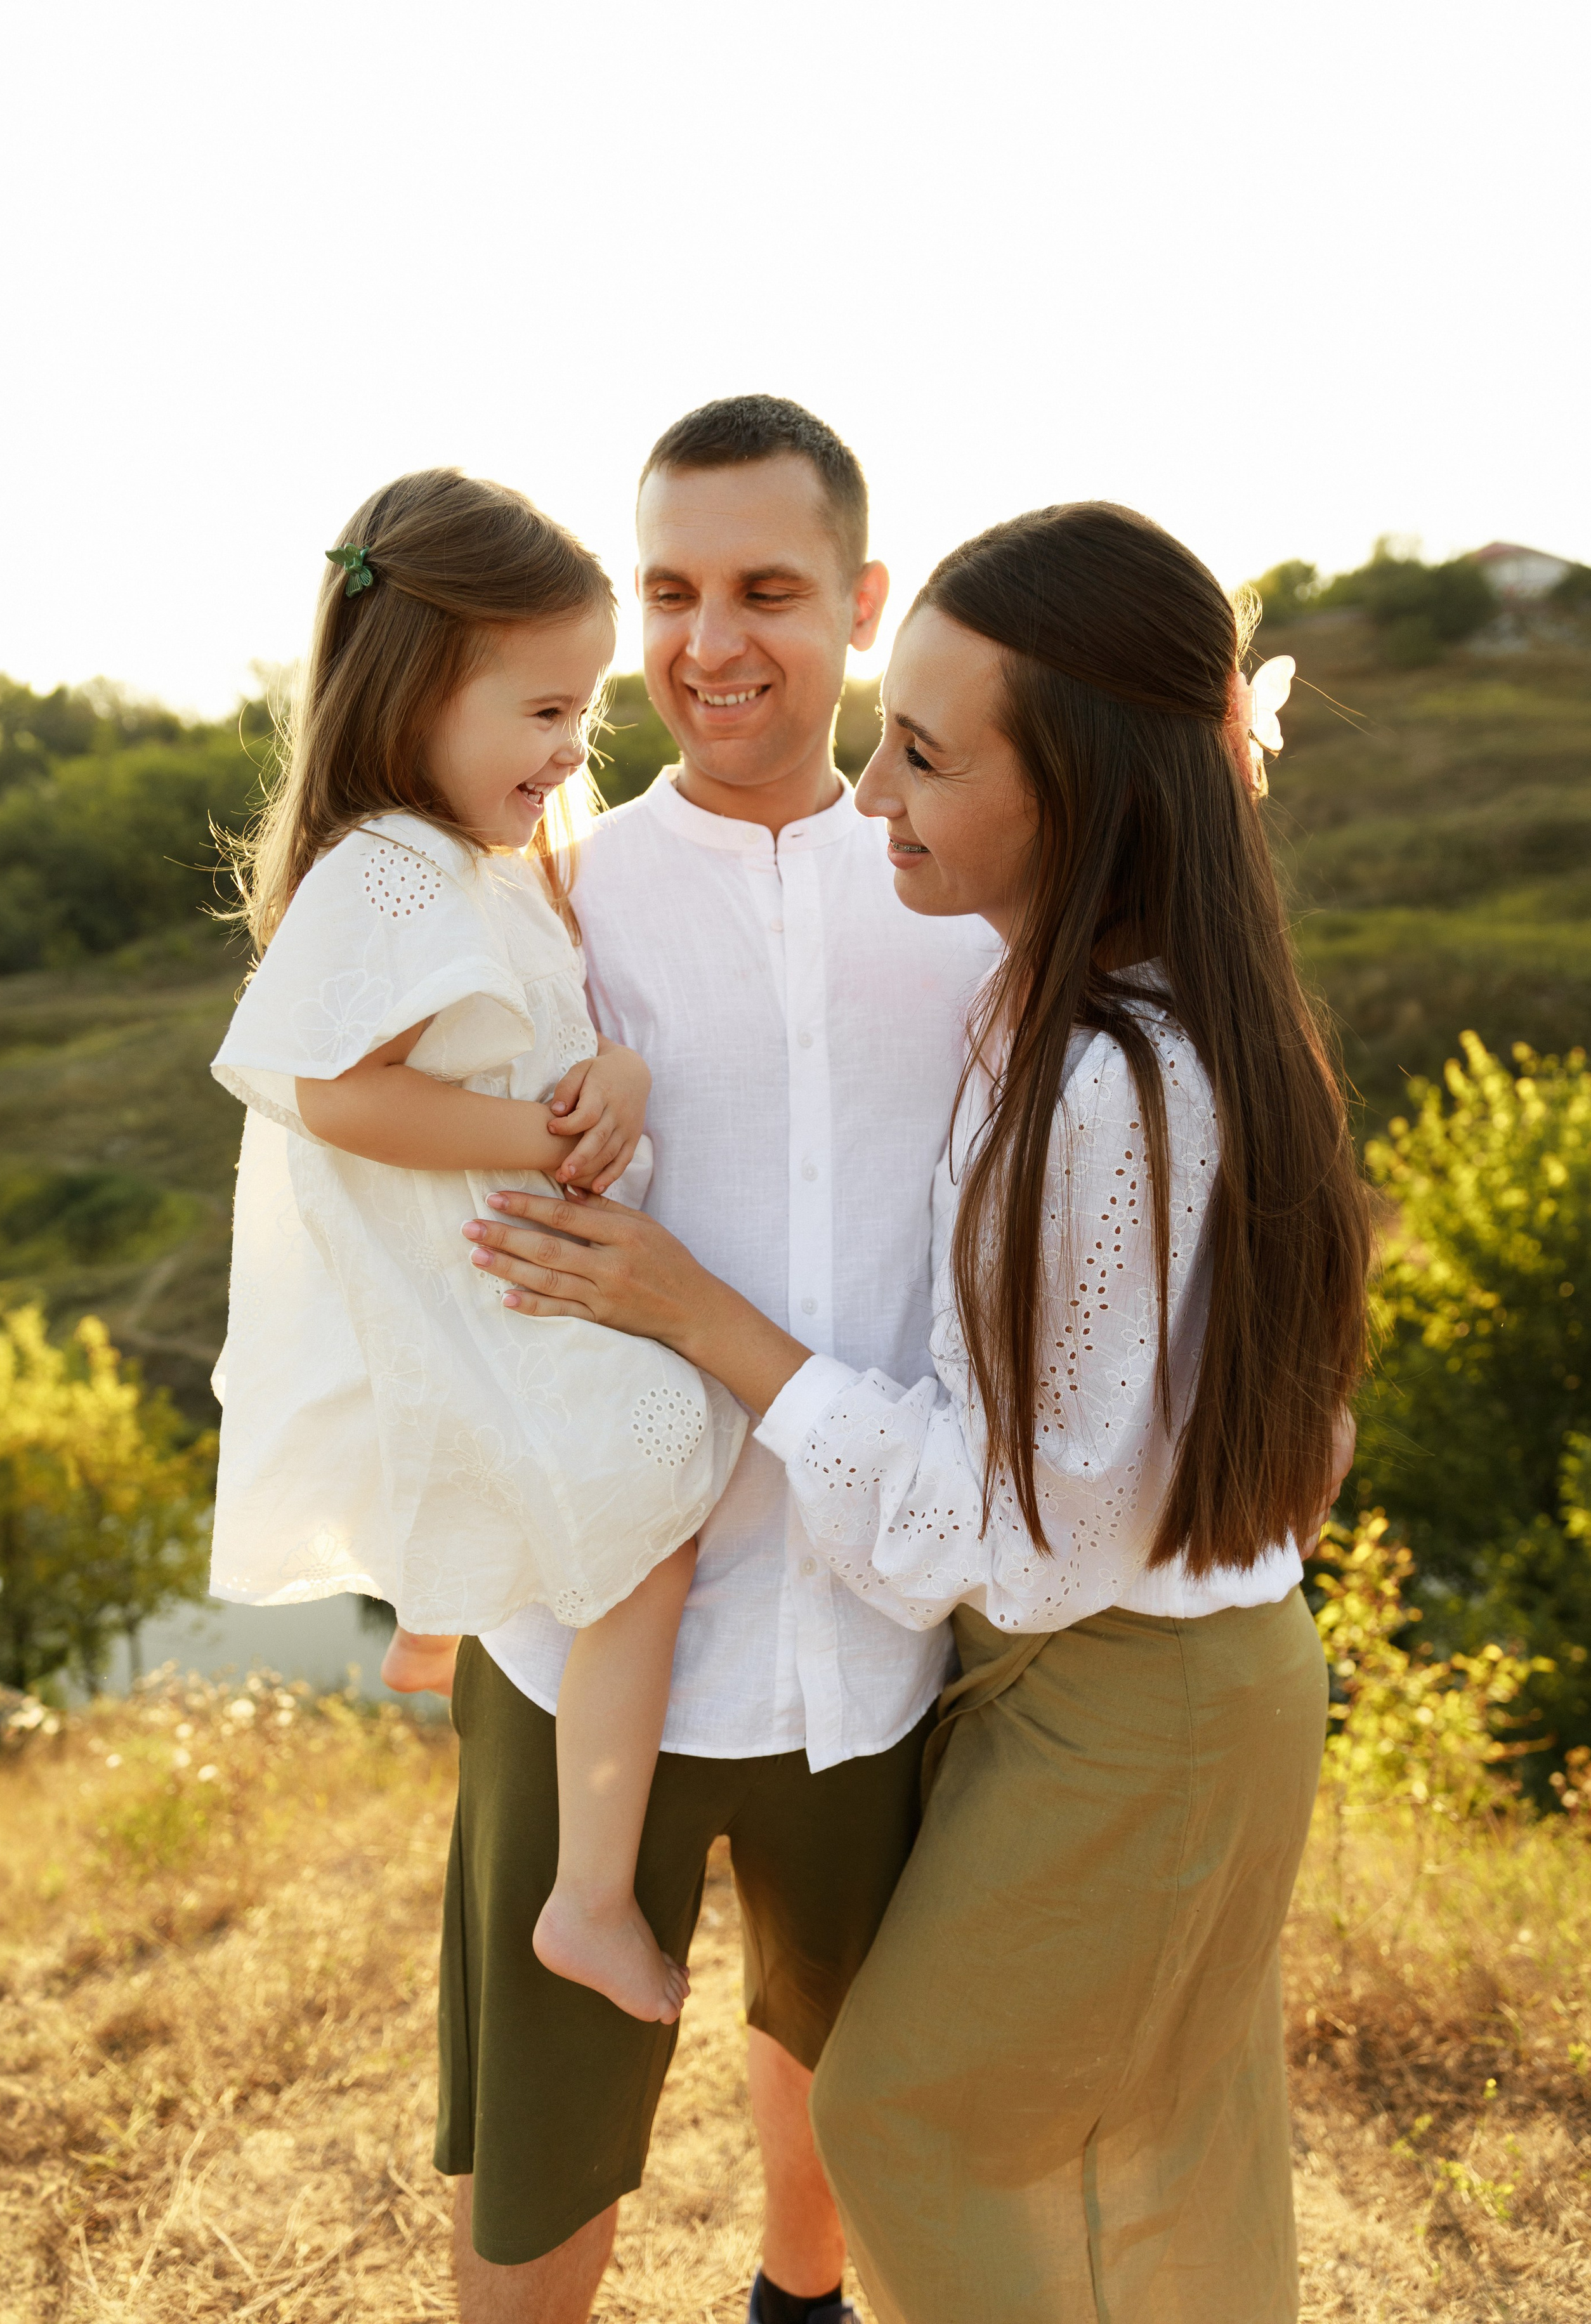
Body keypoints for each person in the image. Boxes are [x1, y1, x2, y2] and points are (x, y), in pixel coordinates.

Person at [464, 500, 1373, 2323]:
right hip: (1086, 1677)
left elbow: (1023, 1547)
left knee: (911, 2121)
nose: (872, 791)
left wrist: (701, 1318)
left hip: (1117, 1687)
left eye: (927, 754)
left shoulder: (1103, 1071)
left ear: (1087, 789)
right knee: (1134, 2153)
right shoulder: (1088, 1001)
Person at [433, 398, 999, 2324]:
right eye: (670, 589)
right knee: (540, 2144)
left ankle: (796, 2305)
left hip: (875, 1626)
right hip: (586, 1624)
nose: (709, 640)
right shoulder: (553, 893)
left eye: (765, 587)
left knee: (845, 2085)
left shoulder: (974, 905)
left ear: (865, 599)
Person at [207, 467, 746, 2030]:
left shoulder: (471, 869)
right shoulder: (387, 867)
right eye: (539, 712)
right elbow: (335, 1089)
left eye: (584, 712)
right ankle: (587, 1895)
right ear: (415, 695)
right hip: (494, 1275)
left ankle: (442, 1620)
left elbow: (550, 1043)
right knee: (661, 1481)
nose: (573, 749)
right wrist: (542, 1141)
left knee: (620, 1466)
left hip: (502, 1276)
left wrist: (612, 1085)